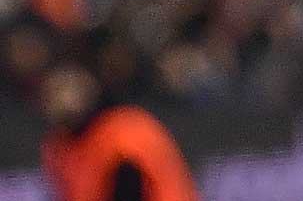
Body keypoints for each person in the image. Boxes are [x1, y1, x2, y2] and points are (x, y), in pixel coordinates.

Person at [39, 59, 199, 201]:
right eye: (52, 91)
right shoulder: (58, 145)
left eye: (68, 88)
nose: (62, 99)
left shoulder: (124, 130)